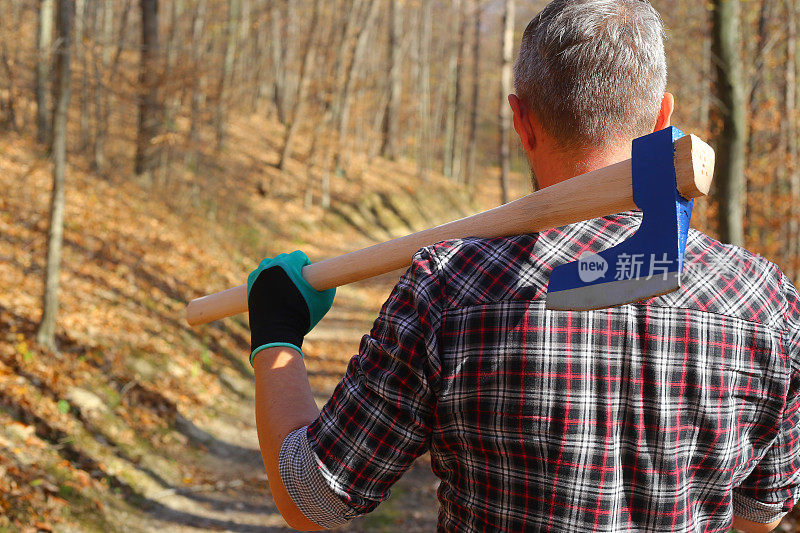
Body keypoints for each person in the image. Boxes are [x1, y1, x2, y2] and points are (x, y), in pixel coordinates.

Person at [247, 1, 800, 531]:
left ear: (521, 119)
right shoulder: (767, 302)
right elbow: (760, 513)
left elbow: (311, 498)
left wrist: (277, 332)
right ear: (662, 116)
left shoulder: (447, 287)